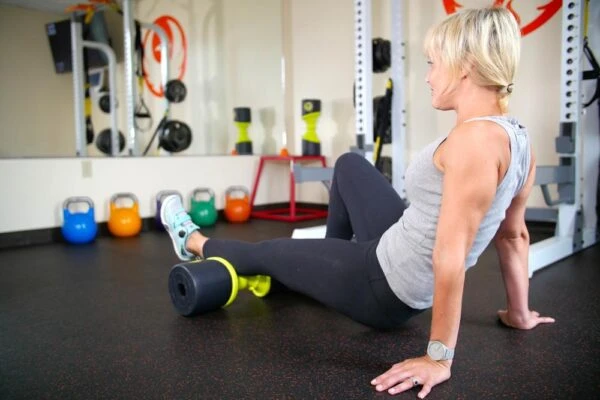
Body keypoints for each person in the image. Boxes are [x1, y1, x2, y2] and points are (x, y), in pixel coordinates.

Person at [160, 7, 555, 398]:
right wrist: (518, 315)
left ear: (466, 66)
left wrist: (438, 358)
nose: (428, 76)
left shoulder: (474, 142)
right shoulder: (519, 141)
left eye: (433, 63)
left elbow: (449, 256)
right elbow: (514, 236)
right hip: (399, 243)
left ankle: (191, 241)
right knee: (349, 165)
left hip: (383, 286)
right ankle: (323, 272)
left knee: (266, 253)